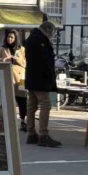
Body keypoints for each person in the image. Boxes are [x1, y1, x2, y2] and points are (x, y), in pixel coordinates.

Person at [24, 20, 61, 148]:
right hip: (40, 79)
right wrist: (50, 76)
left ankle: (31, 133)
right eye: (52, 33)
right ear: (48, 31)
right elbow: (45, 61)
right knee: (45, 104)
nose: (52, 36)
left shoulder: (31, 39)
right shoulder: (40, 41)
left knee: (31, 106)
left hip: (31, 78)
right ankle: (43, 134)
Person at [0, 30, 28, 130]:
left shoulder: (22, 49)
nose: (9, 39)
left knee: (22, 99)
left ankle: (23, 120)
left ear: (16, 39)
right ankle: (7, 122)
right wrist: (4, 60)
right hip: (8, 76)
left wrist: (16, 58)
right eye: (8, 37)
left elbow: (25, 64)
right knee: (8, 99)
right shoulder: (2, 49)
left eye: (12, 37)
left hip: (20, 78)